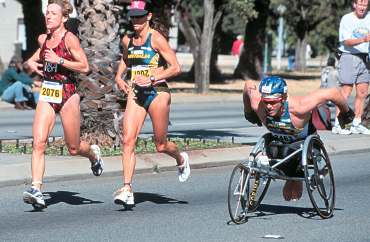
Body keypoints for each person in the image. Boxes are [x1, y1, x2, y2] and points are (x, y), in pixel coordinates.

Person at [22, 0, 104, 209]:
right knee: (38, 142)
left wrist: (60, 61)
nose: (48, 16)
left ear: (64, 18)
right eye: (47, 13)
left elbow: (84, 66)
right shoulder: (44, 39)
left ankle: (93, 154)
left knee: (74, 148)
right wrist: (31, 63)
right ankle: (36, 189)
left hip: (68, 93)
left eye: (53, 14)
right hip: (48, 92)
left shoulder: (70, 39)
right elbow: (34, 59)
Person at [113, 0, 190, 207]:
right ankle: (127, 188)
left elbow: (175, 67)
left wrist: (152, 79)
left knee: (160, 144)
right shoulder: (127, 39)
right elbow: (126, 59)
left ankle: (180, 158)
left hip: (157, 92)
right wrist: (119, 77)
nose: (135, 20)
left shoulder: (156, 38)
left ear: (148, 17)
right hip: (136, 92)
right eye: (132, 16)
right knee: (128, 139)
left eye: (139, 16)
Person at [243, 76, 354, 201]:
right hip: (278, 145)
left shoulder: (299, 107)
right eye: (266, 101)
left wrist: (346, 112)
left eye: (273, 102)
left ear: (284, 98)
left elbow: (332, 92)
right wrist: (248, 112)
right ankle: (286, 175)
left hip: (303, 146)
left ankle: (295, 177)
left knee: (289, 155)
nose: (269, 106)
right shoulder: (257, 104)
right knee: (269, 152)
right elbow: (248, 85)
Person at [334, 0, 370, 135]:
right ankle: (339, 123)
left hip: (365, 58)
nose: (362, 7)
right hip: (349, 56)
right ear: (355, 5)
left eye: (365, 5)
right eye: (360, 4)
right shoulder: (347, 19)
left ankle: (356, 122)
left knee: (362, 92)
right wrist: (364, 39)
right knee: (345, 92)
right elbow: (346, 41)